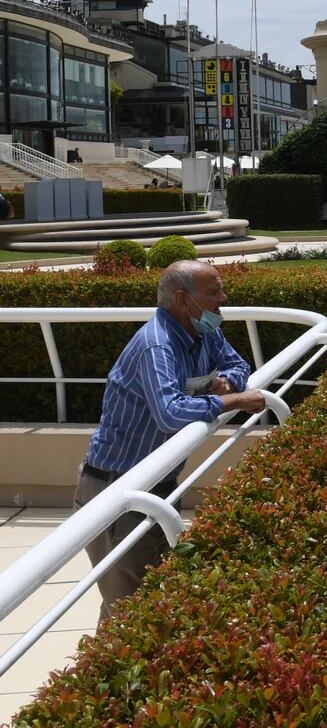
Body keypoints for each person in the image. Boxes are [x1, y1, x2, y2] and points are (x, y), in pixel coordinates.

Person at [74, 260, 266, 622]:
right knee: (131, 611)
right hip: (117, 493)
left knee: (147, 601)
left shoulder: (203, 331)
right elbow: (170, 412)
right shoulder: (156, 345)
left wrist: (226, 379)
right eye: (214, 292)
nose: (223, 298)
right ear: (182, 299)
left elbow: (239, 364)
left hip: (158, 487)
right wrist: (233, 400)